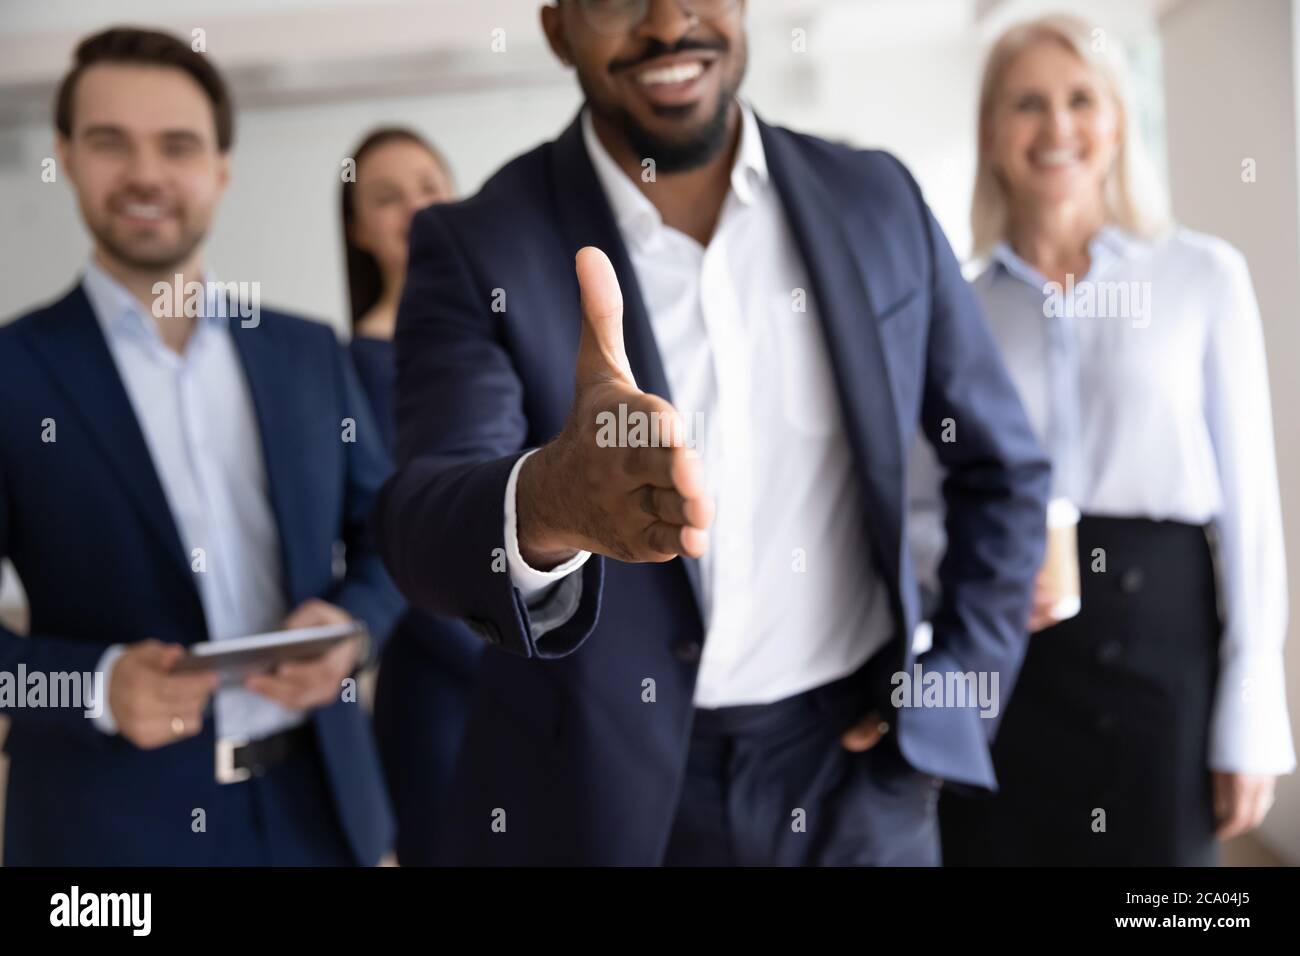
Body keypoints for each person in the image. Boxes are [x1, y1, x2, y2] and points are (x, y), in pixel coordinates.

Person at [373, 0, 1050, 866]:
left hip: (859, 782)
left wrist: (953, 695)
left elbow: (1003, 469)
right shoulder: (478, 245)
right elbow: (421, 522)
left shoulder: (875, 196)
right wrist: (549, 502)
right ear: (557, 28)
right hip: (600, 798)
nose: (668, 23)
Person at [0, 27, 403, 865]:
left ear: (220, 169)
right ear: (66, 156)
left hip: (319, 815)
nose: (146, 174)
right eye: (111, 143)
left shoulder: (307, 352)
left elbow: (391, 533)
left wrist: (353, 628)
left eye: (177, 145)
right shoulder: (14, 370)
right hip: (109, 839)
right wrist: (95, 686)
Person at [916, 14, 1294, 865]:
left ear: (1118, 121)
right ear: (990, 133)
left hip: (1165, 653)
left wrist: (1252, 711)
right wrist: (961, 583)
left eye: (1081, 99)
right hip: (1005, 656)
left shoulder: (1202, 278)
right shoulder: (958, 309)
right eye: (1027, 103)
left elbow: (1253, 514)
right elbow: (921, 502)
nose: (1057, 126)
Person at [341, 127, 483, 865]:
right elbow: (391, 552)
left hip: (536, 672)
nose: (416, 208)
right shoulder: (353, 368)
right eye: (386, 198)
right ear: (358, 229)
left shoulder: (497, 337)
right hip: (443, 692)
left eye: (429, 186)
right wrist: (516, 668)